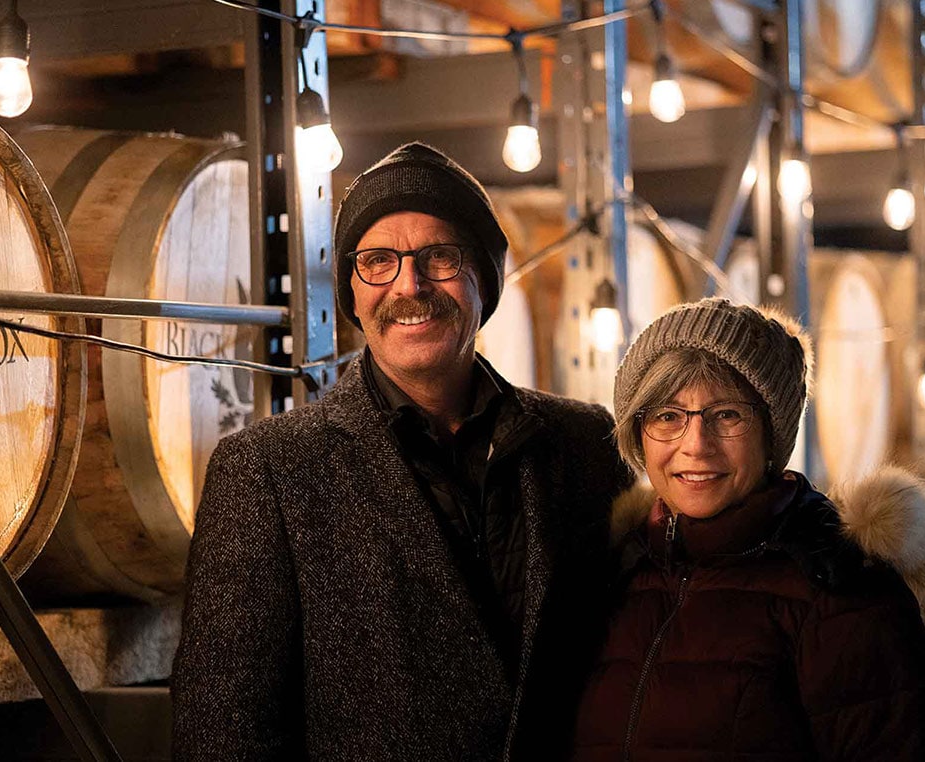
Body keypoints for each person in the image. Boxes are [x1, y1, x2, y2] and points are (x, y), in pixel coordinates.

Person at [171, 142, 631, 760]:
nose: (409, 285)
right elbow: (222, 732)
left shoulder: (582, 443)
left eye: (438, 256)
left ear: (483, 278)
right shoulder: (269, 472)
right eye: (378, 262)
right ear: (352, 294)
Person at [572, 297, 925, 760]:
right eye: (667, 416)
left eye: (727, 414)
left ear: (772, 435)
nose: (696, 445)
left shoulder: (841, 592)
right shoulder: (619, 572)